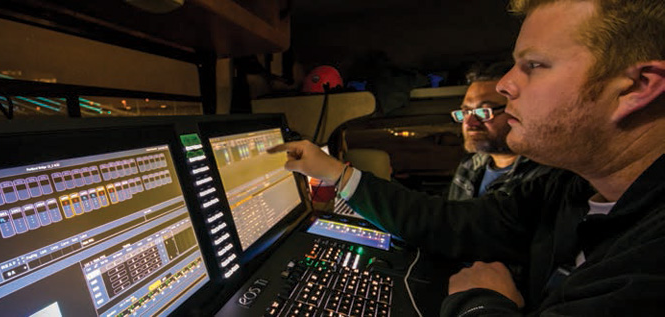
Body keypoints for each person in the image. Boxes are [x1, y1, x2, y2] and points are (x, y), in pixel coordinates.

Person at [268, 0, 665, 315]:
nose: (507, 85)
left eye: (535, 66)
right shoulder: (568, 187)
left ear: (636, 87)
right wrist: (334, 172)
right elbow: (451, 222)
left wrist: (479, 303)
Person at [448, 62, 553, 200]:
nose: (470, 123)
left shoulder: (546, 175)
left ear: (520, 111)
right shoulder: (470, 165)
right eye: (466, 112)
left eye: (484, 111)